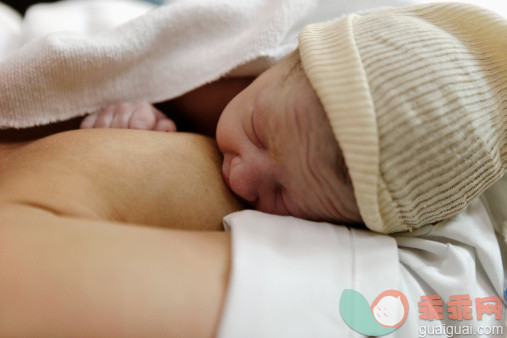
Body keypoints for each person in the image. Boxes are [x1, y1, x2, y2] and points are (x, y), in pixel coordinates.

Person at [80, 2, 506, 234]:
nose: (243, 181)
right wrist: (125, 98)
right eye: (259, 133)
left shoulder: (276, 109)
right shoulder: (226, 80)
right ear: (287, 59)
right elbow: (109, 64)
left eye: (283, 197)